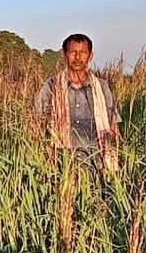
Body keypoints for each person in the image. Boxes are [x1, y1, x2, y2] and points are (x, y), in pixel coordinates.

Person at [34, 33, 122, 172]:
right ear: (65, 55)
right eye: (73, 52)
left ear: (90, 56)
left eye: (83, 52)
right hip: (62, 163)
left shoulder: (101, 87)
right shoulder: (51, 86)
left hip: (97, 162)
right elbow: (37, 124)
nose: (77, 57)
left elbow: (112, 127)